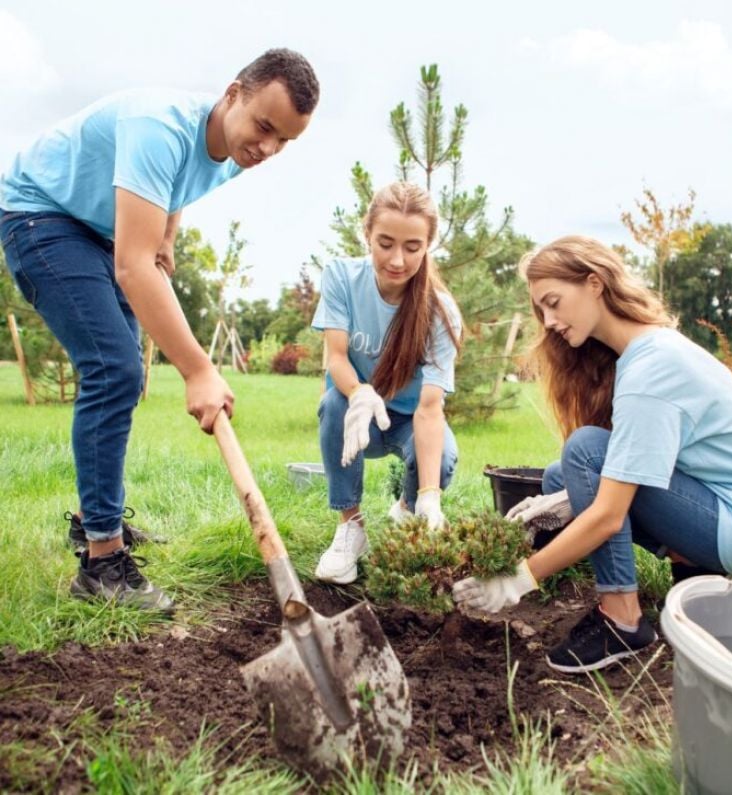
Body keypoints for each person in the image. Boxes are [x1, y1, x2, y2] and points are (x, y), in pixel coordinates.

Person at [0, 48, 319, 612]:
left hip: (91, 227)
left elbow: (176, 187)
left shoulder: (229, 150)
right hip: (39, 213)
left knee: (121, 372)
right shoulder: (159, 127)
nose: (268, 149)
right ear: (232, 94)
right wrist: (198, 369)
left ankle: (92, 521)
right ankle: (101, 563)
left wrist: (169, 232)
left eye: (285, 142)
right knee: (114, 368)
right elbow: (131, 264)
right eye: (265, 127)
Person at [453, 236, 732, 673]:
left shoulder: (653, 367)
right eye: (541, 311)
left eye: (554, 303)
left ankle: (622, 620)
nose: (549, 321)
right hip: (724, 509)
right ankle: (693, 571)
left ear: (594, 283)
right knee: (561, 477)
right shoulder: (643, 350)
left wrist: (520, 578)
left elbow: (610, 513)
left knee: (586, 455)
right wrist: (566, 497)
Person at [312, 181, 462, 585]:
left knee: (443, 459)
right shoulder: (342, 277)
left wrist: (429, 495)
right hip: (356, 417)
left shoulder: (439, 313)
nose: (397, 259)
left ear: (429, 244)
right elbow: (338, 356)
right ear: (367, 235)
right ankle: (351, 528)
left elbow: (430, 409)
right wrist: (359, 392)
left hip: (411, 421)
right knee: (333, 404)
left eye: (413, 247)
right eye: (385, 243)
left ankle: (408, 508)